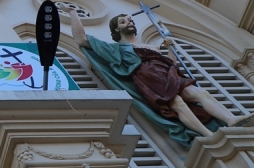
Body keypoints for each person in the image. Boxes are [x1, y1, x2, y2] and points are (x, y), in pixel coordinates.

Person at [69, 11, 250, 148]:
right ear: (117, 29)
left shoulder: (151, 47)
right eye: (123, 21)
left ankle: (231, 119)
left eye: (130, 20)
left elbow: (171, 63)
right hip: (149, 78)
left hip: (169, 74)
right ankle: (207, 134)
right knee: (177, 103)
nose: (129, 22)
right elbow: (81, 39)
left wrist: (170, 49)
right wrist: (72, 13)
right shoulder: (116, 48)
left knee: (200, 93)